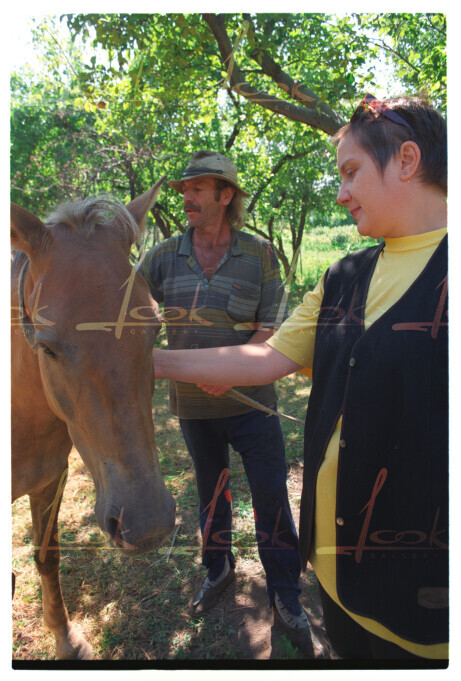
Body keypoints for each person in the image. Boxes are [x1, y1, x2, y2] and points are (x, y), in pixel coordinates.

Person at [152, 96, 448, 661]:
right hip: (335, 584)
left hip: (424, 612)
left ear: (407, 160)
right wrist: (144, 363)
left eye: (351, 172)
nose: (341, 194)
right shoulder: (344, 277)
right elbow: (263, 359)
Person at [141, 150, 314, 646]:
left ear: (226, 195)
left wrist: (233, 371)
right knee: (211, 494)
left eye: (197, 188)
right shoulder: (162, 256)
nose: (187, 197)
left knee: (271, 499)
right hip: (194, 409)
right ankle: (217, 570)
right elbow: (128, 304)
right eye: (184, 189)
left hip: (252, 404)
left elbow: (272, 327)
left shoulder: (259, 254)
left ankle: (285, 592)